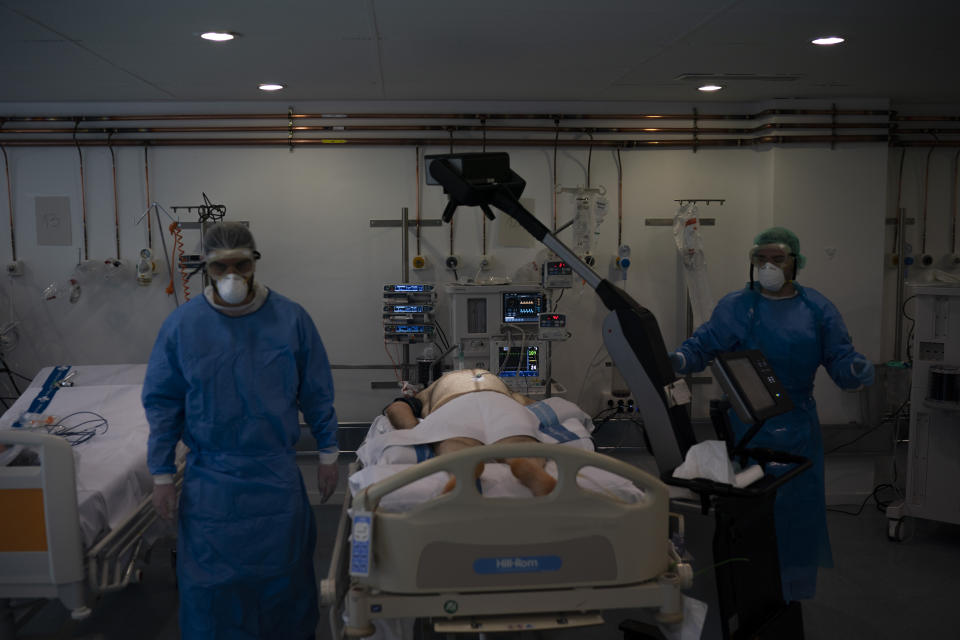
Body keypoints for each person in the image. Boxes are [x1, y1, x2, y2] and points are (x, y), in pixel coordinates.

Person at [143, 222, 338, 640]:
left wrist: (328, 454)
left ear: (255, 263)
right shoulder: (183, 326)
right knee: (213, 589)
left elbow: (317, 392)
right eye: (220, 267)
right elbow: (163, 404)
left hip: (276, 478)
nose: (232, 275)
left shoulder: (291, 319)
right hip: (211, 486)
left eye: (241, 264)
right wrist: (161, 476)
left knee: (283, 582)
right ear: (206, 270)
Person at [670, 226, 874, 602]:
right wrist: (681, 359)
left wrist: (855, 370)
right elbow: (705, 343)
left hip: (798, 430)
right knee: (747, 513)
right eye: (760, 259)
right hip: (746, 427)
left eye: (777, 259)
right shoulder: (737, 306)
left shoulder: (816, 309)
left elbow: (840, 356)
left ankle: (789, 592)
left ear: (796, 263)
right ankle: (745, 588)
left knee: (794, 515)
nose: (768, 266)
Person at [383, 369, 558, 496]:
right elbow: (534, 407)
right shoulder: (497, 382)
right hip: (499, 400)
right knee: (519, 440)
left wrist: (415, 430)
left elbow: (396, 408)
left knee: (456, 442)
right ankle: (533, 468)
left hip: (452, 403)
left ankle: (463, 470)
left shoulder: (432, 389)